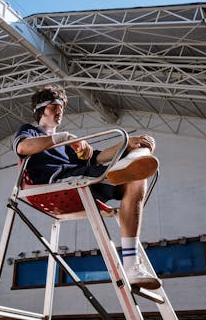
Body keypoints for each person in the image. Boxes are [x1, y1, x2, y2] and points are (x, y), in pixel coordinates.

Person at [13, 85, 161, 290]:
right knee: (115, 172)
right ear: (42, 109)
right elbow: (23, 147)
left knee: (137, 181)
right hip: (54, 183)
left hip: (80, 179)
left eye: (62, 107)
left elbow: (97, 157)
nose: (60, 111)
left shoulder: (71, 145)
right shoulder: (29, 131)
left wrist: (127, 144)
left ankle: (131, 265)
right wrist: (64, 137)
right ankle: (123, 166)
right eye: (56, 106)